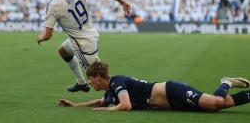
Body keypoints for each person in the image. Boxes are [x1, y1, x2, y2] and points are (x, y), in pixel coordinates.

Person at [37, 0, 130, 93]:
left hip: (83, 44)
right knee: (63, 51)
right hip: (90, 33)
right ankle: (81, 83)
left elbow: (48, 35)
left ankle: (121, 95)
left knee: (99, 77)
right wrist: (122, 1)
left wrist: (40, 37)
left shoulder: (54, 6)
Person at [58, 61, 250, 111]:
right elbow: (100, 101)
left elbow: (125, 105)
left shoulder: (118, 82)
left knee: (216, 103)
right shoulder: (111, 91)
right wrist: (75, 106)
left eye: (91, 79)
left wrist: (101, 111)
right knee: (225, 104)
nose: (90, 82)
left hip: (171, 91)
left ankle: (226, 81)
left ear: (100, 77)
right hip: (173, 105)